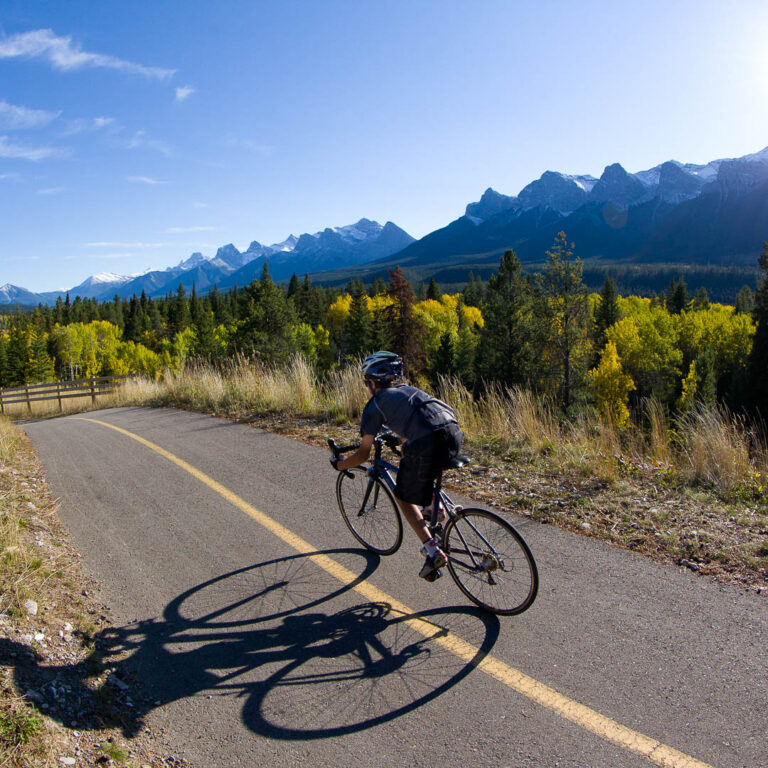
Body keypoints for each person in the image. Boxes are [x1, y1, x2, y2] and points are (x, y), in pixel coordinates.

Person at [331, 351, 464, 581]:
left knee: (402, 495)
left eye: (367, 383)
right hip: (453, 432)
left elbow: (363, 454)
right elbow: (417, 422)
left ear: (372, 382)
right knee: (412, 459)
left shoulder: (375, 406)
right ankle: (434, 506)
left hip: (428, 441)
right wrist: (401, 440)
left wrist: (342, 465)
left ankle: (432, 552)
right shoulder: (407, 391)